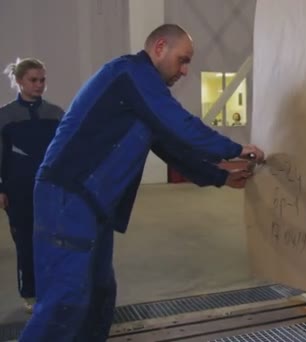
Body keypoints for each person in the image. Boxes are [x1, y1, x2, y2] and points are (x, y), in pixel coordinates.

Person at [19, 23, 265, 341]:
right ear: (160, 47)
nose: (186, 71)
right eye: (183, 59)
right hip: (68, 197)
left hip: (93, 204)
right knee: (64, 303)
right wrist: (235, 148)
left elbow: (170, 146)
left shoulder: (143, 94)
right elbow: (178, 123)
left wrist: (220, 176)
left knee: (98, 295)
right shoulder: (130, 73)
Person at [0, 58, 64, 314]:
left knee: (53, 241)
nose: (39, 85)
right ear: (19, 81)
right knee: (25, 243)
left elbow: (64, 151)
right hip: (18, 190)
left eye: (42, 80)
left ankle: (53, 289)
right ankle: (30, 293)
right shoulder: (5, 116)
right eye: (33, 80)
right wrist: (1, 188)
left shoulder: (56, 114)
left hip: (51, 189)